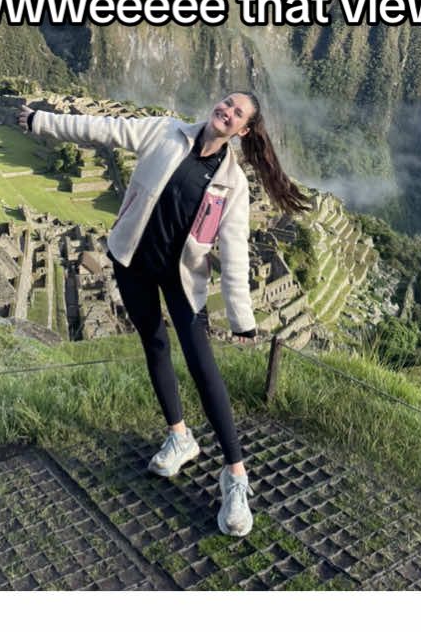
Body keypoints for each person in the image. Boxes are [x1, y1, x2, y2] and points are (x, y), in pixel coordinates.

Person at [17, 90, 310, 537]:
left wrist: (241, 318)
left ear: (243, 130)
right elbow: (102, 130)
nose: (226, 111)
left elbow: (233, 254)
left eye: (237, 113)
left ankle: (235, 476)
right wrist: (42, 122)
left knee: (202, 366)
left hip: (181, 279)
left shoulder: (233, 185)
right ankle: (179, 436)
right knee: (154, 345)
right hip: (132, 261)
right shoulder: (164, 132)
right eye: (226, 103)